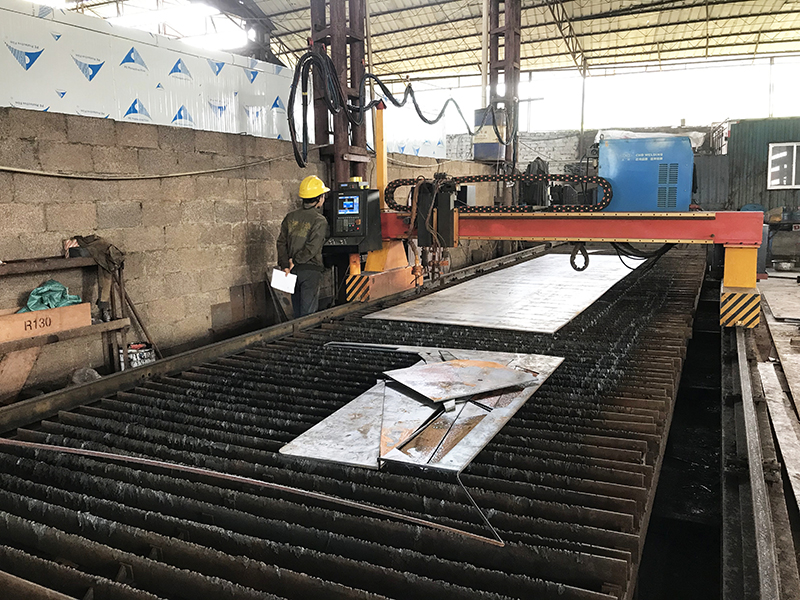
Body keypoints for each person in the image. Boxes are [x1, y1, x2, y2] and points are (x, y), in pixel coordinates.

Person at [276, 175, 330, 317]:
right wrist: (296, 261)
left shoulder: (290, 217)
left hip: (291, 271)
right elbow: (312, 248)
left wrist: (285, 265)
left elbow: (281, 243)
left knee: (297, 311)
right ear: (319, 198)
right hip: (310, 271)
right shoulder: (319, 220)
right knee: (308, 314)